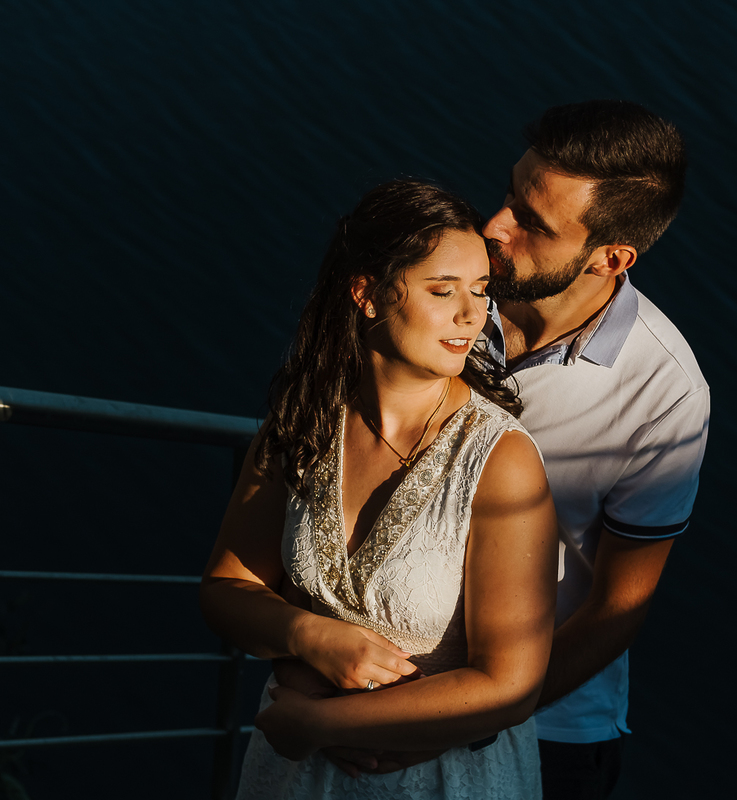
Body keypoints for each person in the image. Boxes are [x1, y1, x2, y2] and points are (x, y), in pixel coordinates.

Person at [322, 100, 711, 799]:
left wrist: (454, 720)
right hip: (364, 687)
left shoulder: (664, 396)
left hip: (546, 732)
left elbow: (617, 609)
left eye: (532, 224)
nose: (495, 226)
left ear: (610, 257)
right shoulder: (443, 297)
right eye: (510, 193)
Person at [200, 179, 559, 799]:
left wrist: (316, 722)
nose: (472, 316)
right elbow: (227, 588)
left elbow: (511, 684)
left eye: (480, 291)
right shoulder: (304, 420)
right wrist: (307, 634)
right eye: (442, 290)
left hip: (439, 781)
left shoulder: (499, 460)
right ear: (365, 293)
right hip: (293, 777)